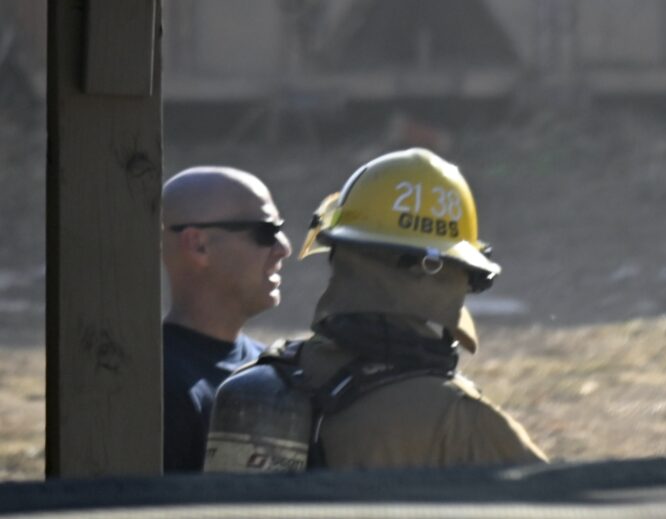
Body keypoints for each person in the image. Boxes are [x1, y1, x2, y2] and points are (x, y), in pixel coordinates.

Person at [204, 148, 546, 472]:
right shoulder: (462, 420)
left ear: (339, 253)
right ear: (438, 272)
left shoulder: (264, 381)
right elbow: (555, 498)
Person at [161, 166, 292, 472]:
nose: (284, 248)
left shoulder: (273, 368)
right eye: (266, 232)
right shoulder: (155, 385)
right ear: (199, 245)